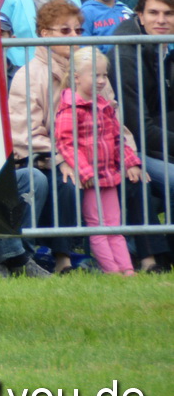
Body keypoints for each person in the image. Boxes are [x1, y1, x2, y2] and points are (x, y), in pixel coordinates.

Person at [6, 0, 107, 272]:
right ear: (44, 33)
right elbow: (26, 132)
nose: (75, 37)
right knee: (66, 180)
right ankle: (62, 259)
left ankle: (137, 258)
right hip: (44, 159)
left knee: (132, 180)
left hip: (90, 156)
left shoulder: (93, 72)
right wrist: (65, 156)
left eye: (78, 30)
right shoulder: (28, 74)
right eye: (65, 31)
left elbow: (114, 119)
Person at [54, 51, 145, 274]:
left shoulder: (105, 106)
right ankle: (112, 271)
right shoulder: (69, 107)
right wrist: (85, 173)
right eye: (95, 75)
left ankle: (127, 270)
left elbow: (117, 138)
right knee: (98, 227)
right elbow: (66, 143)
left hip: (108, 176)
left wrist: (131, 162)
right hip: (90, 179)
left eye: (104, 75)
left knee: (115, 226)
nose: (102, 81)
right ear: (76, 77)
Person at [110, 0, 174, 272]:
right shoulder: (126, 55)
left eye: (169, 14)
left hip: (154, 144)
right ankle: (156, 258)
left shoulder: (162, 49)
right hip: (127, 149)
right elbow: (137, 127)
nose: (161, 20)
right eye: (154, 13)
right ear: (140, 15)